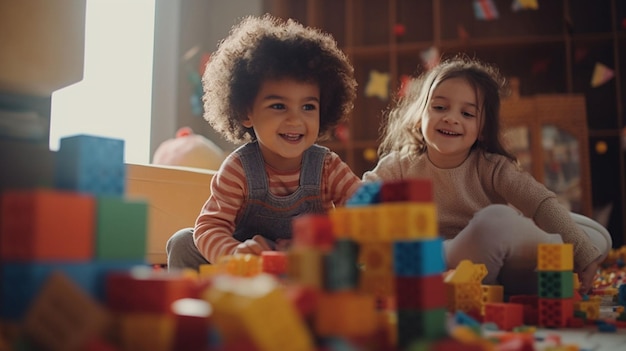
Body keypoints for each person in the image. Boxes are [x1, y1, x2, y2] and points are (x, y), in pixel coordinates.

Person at [362, 55, 612, 296]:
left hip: (498, 265)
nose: (451, 118)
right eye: (440, 107)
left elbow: (539, 201)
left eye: (467, 114)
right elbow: (359, 200)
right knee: (497, 222)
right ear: (420, 117)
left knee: (596, 239)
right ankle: (442, 260)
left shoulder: (492, 166)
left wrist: (581, 252)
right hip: (431, 266)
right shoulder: (399, 165)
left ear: (482, 130)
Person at [166, 14, 362, 270]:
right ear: (246, 112)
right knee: (182, 242)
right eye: (279, 106)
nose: (295, 119)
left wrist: (336, 242)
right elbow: (209, 227)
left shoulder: (328, 166)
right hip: (251, 268)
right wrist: (235, 253)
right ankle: (189, 303)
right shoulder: (238, 168)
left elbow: (362, 209)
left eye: (307, 107)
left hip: (309, 268)